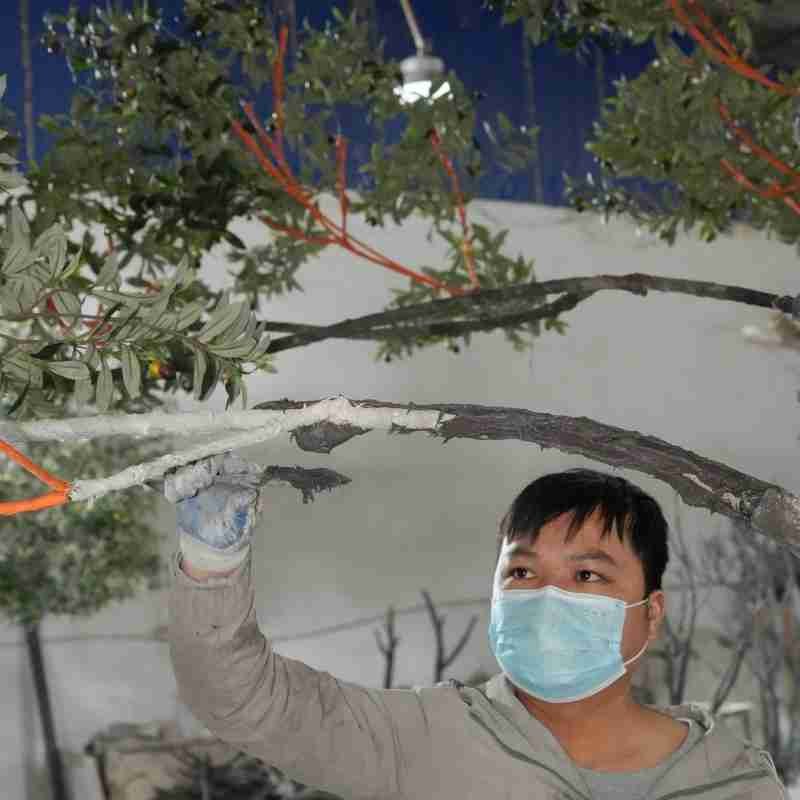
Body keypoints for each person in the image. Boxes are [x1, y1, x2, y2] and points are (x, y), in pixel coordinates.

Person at [167, 456, 787, 800]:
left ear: (651, 613)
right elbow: (239, 698)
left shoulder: (732, 781)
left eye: (588, 577)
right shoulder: (422, 741)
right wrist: (212, 561)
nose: (548, 598)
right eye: (521, 571)